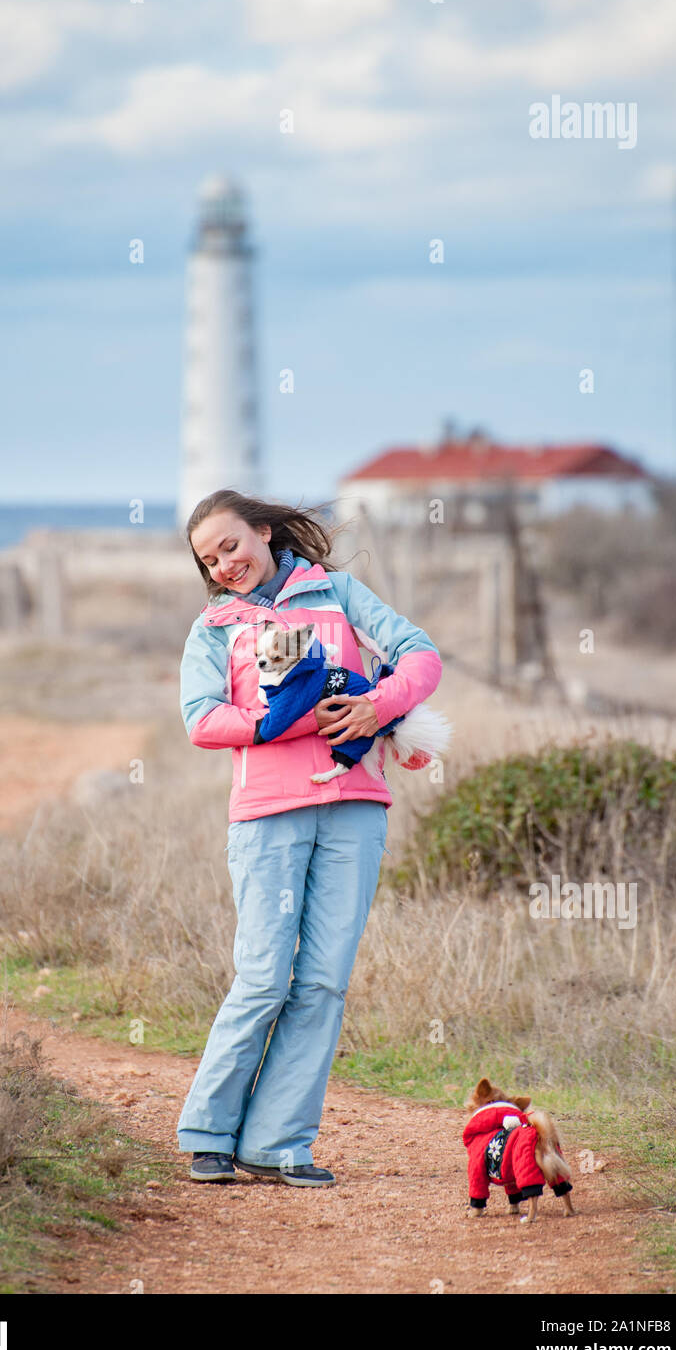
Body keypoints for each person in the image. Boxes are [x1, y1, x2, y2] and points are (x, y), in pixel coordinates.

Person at [176, 488, 443, 1187]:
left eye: (230, 545)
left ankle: (278, 1144)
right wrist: (281, 722)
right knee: (264, 977)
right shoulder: (213, 627)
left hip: (355, 808)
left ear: (263, 533)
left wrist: (372, 705)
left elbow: (421, 656)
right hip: (266, 814)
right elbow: (201, 720)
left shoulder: (340, 594)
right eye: (209, 558)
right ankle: (208, 1132)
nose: (224, 564)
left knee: (322, 983)